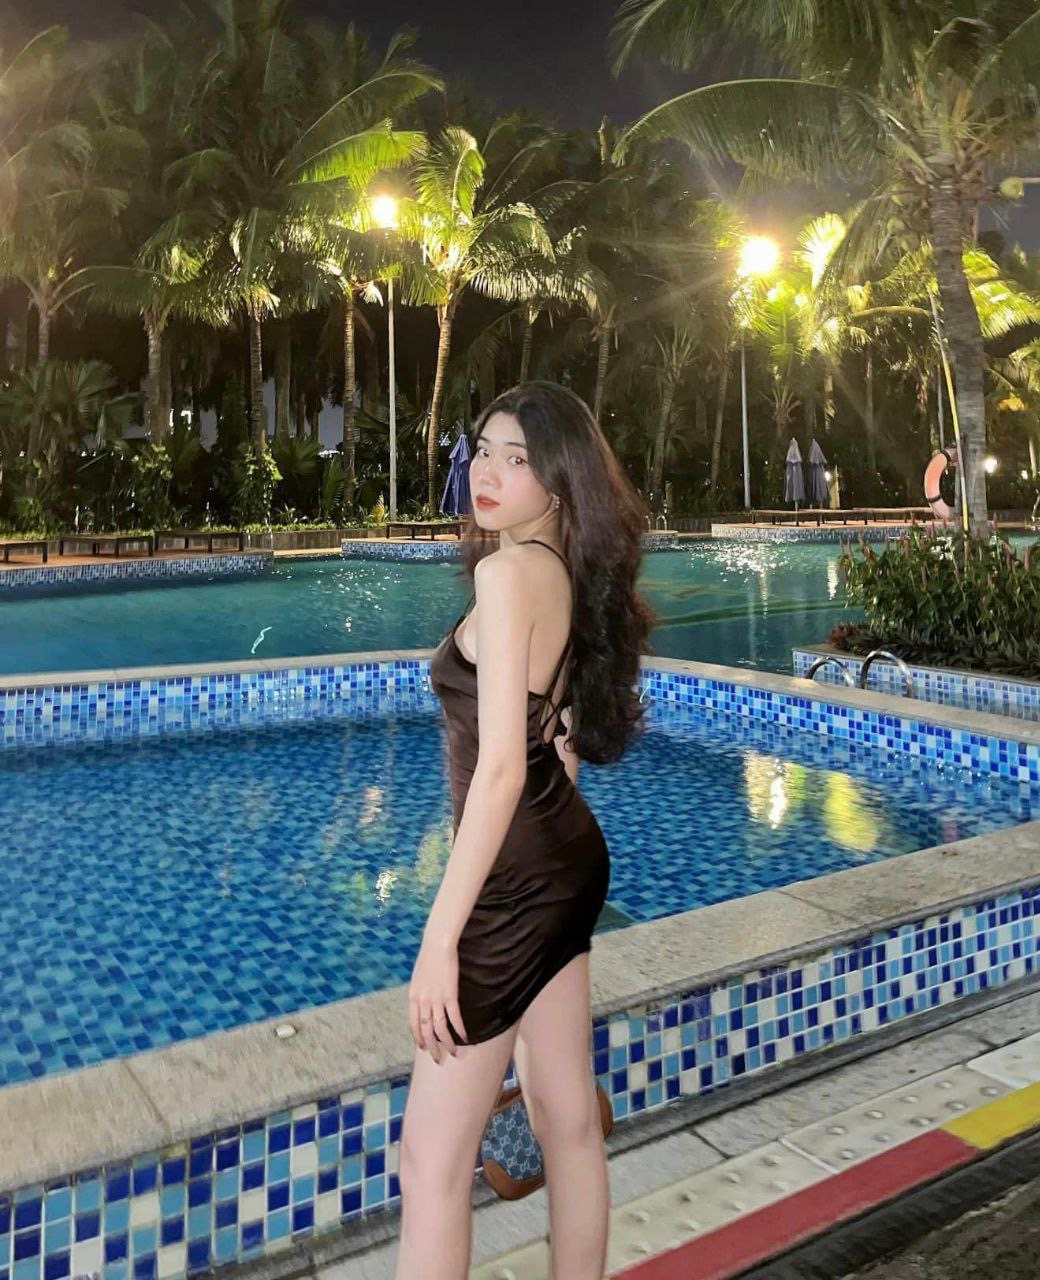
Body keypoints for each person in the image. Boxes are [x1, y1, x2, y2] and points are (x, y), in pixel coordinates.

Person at [394, 381, 653, 1280]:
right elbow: (561, 743)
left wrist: (443, 936)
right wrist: (554, 879)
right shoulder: (557, 571)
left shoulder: (506, 577)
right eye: (485, 451)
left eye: (520, 459)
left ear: (560, 479)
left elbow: (504, 767)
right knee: (565, 1117)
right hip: (562, 859)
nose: (490, 473)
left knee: (429, 1161)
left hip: (515, 880)